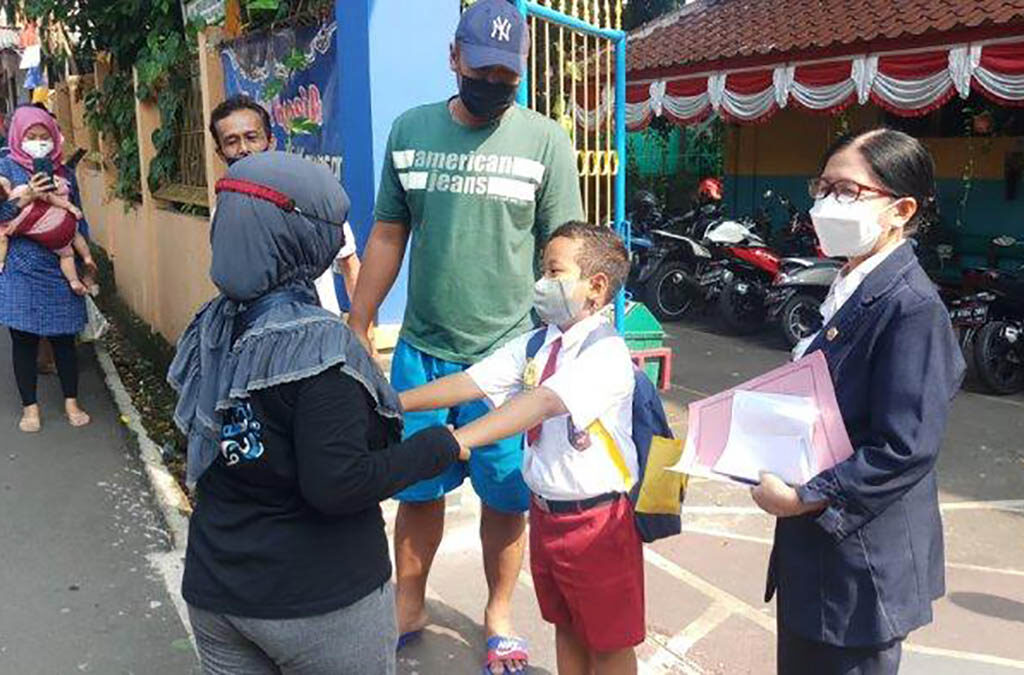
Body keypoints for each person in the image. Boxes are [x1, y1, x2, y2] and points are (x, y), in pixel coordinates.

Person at [348, 1, 584, 670]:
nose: (493, 87)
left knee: (506, 498)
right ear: (454, 58)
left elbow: (563, 245)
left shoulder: (547, 142)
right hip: (423, 351)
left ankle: (498, 612)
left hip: (509, 358)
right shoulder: (411, 130)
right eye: (481, 71)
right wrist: (359, 321)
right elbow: (389, 233)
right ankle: (409, 601)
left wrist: (571, 335)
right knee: (417, 489)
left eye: (507, 78)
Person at [167, 151, 465, 675]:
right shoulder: (320, 348)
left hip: (218, 589)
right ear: (304, 237)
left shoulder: (211, 326)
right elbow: (339, 484)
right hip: (317, 602)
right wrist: (435, 448)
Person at [750, 129, 965, 675]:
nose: (825, 204)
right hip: (818, 558)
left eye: (846, 191)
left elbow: (905, 447)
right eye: (822, 187)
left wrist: (806, 496)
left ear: (902, 209)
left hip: (861, 563)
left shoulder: (912, 308)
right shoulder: (850, 280)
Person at [401, 222, 641, 675]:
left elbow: (540, 404)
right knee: (566, 626)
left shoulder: (605, 354)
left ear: (596, 286)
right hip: (549, 517)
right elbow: (471, 382)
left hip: (597, 523)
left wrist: (457, 440)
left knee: (607, 644)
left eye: (554, 272)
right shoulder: (538, 343)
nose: (541, 284)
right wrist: (394, 401)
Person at [207, 94, 362, 313]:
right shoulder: (222, 213)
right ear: (220, 153)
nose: (244, 149)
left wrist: (363, 330)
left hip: (321, 334)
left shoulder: (308, 199)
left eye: (252, 137)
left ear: (271, 142)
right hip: (256, 337)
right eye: (231, 142)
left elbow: (350, 264)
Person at [0, 105, 92, 432]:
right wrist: (27, 198)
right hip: (19, 268)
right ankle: (30, 408)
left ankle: (71, 401)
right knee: (23, 339)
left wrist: (85, 262)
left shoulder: (64, 172)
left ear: (54, 140)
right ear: (17, 137)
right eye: (31, 137)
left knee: (64, 336)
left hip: (60, 265)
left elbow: (79, 218)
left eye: (44, 138)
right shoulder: (5, 168)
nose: (39, 144)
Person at [0, 166, 96, 295]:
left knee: (66, 255)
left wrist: (1, 262)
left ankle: (74, 281)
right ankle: (87, 257)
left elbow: (2, 240)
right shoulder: (21, 190)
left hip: (51, 239)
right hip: (64, 221)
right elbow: (49, 197)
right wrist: (70, 207)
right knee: (76, 235)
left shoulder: (5, 224)